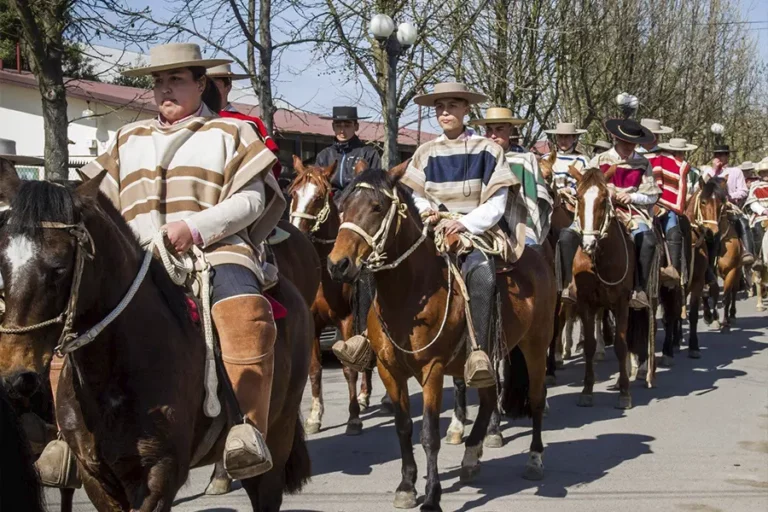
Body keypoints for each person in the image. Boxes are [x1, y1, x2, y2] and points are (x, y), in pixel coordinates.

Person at [36, 43, 284, 487]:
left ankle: (246, 432)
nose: (164, 89)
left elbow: (252, 199)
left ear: (201, 84)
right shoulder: (126, 138)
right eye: (157, 82)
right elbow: (92, 198)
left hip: (213, 250)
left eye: (176, 80)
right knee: (68, 312)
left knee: (245, 309)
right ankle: (63, 438)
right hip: (133, 257)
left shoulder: (232, 134)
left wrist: (194, 228)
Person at [558, 119, 661, 309]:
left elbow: (652, 195)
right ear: (615, 138)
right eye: (625, 141)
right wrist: (571, 192)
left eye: (632, 142)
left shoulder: (642, 163)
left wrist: (633, 197)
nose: (629, 146)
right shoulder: (599, 160)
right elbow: (583, 186)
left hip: (631, 212)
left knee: (647, 239)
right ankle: (567, 284)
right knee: (565, 236)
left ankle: (639, 288)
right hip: (598, 209)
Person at [471, 107, 552, 245]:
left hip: (519, 224)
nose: (493, 135)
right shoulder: (477, 159)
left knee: (531, 250)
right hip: (482, 222)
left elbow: (532, 200)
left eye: (499, 129)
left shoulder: (524, 160)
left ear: (510, 130)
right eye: (489, 130)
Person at [207, 64, 282, 180]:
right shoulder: (191, 121)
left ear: (228, 87)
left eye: (214, 85)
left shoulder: (249, 124)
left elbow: (268, 166)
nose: (209, 90)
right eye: (205, 85)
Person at [652, 138, 697, 283]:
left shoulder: (690, 170)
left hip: (670, 206)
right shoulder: (652, 158)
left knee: (677, 228)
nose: (682, 156)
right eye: (681, 153)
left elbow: (690, 190)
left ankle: (674, 270)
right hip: (646, 202)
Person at [701, 143, 755, 265]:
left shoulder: (735, 171)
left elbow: (743, 191)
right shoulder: (708, 172)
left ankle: (747, 251)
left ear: (728, 156)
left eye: (722, 154)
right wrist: (714, 171)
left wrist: (730, 197)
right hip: (710, 207)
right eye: (717, 154)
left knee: (743, 221)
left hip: (730, 205)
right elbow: (700, 189)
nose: (719, 157)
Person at [315, 106, 381, 193]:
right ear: (333, 127)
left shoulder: (369, 153)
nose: (342, 130)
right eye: (338, 126)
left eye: (347, 125)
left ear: (356, 126)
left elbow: (375, 186)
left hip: (357, 202)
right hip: (330, 202)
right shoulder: (324, 155)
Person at [542, 122, 589, 195]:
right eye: (560, 136)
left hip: (572, 200)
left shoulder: (582, 160)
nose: (563, 141)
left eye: (567, 137)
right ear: (556, 137)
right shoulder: (546, 158)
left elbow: (586, 184)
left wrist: (570, 191)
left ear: (574, 138)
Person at [745, 160, 768, 268]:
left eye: (767, 172)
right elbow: (753, 203)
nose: (765, 174)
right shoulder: (756, 186)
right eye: (763, 172)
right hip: (761, 215)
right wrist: (763, 210)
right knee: (758, 229)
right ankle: (758, 257)